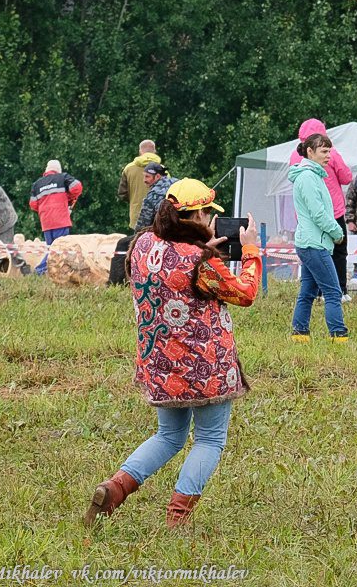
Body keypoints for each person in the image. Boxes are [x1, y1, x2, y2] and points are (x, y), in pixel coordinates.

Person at [83, 179, 261, 529]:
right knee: (209, 439)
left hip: (160, 364)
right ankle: (176, 518)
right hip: (205, 365)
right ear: (193, 214)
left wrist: (201, 247)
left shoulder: (141, 244)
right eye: (208, 212)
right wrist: (251, 251)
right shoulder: (201, 261)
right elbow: (245, 293)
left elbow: (171, 269)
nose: (211, 219)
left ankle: (114, 488)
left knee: (169, 436)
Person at [289, 133, 348, 341]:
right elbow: (318, 214)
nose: (329, 156)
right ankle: (339, 336)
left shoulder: (314, 175)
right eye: (324, 151)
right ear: (310, 152)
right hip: (315, 244)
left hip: (311, 242)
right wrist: (337, 232)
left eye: (329, 151)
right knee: (333, 293)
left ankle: (300, 335)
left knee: (307, 292)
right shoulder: (307, 178)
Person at [289, 119, 354, 298]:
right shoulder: (330, 152)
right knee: (338, 252)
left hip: (304, 214)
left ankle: (315, 291)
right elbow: (346, 177)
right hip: (332, 210)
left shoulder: (296, 155)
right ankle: (340, 290)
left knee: (311, 253)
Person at [28, 160, 84, 275]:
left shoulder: (37, 184)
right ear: (58, 170)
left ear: (46, 170)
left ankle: (49, 272)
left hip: (46, 223)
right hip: (61, 221)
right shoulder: (62, 177)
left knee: (52, 249)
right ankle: (39, 271)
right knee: (59, 249)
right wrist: (69, 197)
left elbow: (33, 205)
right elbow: (77, 187)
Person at [118, 140, 162, 229]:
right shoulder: (163, 169)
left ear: (140, 151)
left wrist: (135, 200)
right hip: (157, 218)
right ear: (154, 151)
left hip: (137, 216)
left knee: (137, 241)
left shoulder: (128, 168)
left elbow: (122, 193)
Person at [135, 163, 178, 230]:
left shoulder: (153, 194)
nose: (144, 180)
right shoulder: (177, 183)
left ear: (157, 176)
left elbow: (143, 223)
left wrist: (136, 237)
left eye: (147, 176)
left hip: (164, 232)